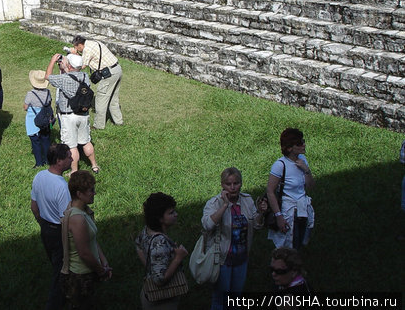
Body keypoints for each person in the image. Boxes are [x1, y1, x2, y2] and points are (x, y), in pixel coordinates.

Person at [202, 168, 267, 310]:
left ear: (241, 184)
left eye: (236, 183)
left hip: (241, 258)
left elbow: (256, 225)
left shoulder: (247, 200)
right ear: (222, 185)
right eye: (228, 184)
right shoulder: (214, 203)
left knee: (236, 299)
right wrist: (225, 205)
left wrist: (261, 213)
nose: (232, 188)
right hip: (222, 259)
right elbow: (207, 225)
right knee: (220, 299)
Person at [30, 143, 73, 310]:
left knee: (56, 266)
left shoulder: (39, 176)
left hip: (46, 229)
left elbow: (34, 207)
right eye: (69, 156)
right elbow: (67, 218)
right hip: (58, 233)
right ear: (59, 161)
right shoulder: (62, 186)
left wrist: (43, 224)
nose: (72, 158)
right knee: (61, 273)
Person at [61, 170, 111, 309]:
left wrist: (103, 260)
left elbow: (91, 240)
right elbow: (84, 252)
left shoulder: (81, 210)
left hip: (87, 272)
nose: (94, 193)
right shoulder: (77, 219)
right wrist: (101, 270)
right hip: (81, 276)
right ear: (79, 194)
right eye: (91, 190)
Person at [45, 53, 99, 174]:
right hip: (83, 115)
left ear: (69, 65)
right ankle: (94, 166)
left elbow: (47, 76)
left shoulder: (64, 79)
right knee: (86, 141)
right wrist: (65, 67)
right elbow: (74, 73)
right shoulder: (85, 76)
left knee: (72, 146)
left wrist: (53, 61)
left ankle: (74, 171)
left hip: (69, 116)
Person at [135, 192, 187, 310]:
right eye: (171, 213)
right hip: (162, 301)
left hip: (148, 294)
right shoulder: (159, 242)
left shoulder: (147, 230)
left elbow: (138, 245)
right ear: (160, 218)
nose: (176, 214)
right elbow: (159, 279)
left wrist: (149, 267)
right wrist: (178, 257)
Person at [266, 128, 315, 250]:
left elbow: (311, 186)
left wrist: (306, 170)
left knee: (300, 245)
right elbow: (270, 191)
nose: (304, 145)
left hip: (302, 209)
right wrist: (279, 216)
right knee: (288, 247)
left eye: (303, 141)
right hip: (288, 211)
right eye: (299, 143)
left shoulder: (303, 161)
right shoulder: (280, 165)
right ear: (289, 148)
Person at [71, 35, 123, 131]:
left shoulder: (86, 50)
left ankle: (98, 125)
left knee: (100, 99)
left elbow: (81, 65)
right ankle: (118, 121)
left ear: (79, 45)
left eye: (76, 47)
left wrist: (74, 55)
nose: (76, 49)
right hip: (117, 70)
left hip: (108, 75)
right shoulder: (95, 42)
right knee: (113, 99)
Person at [24, 70, 53, 168]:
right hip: (45, 118)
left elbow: (25, 107)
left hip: (33, 120)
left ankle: (39, 163)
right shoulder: (48, 92)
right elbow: (49, 103)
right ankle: (47, 160)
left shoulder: (30, 94)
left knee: (35, 142)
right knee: (46, 140)